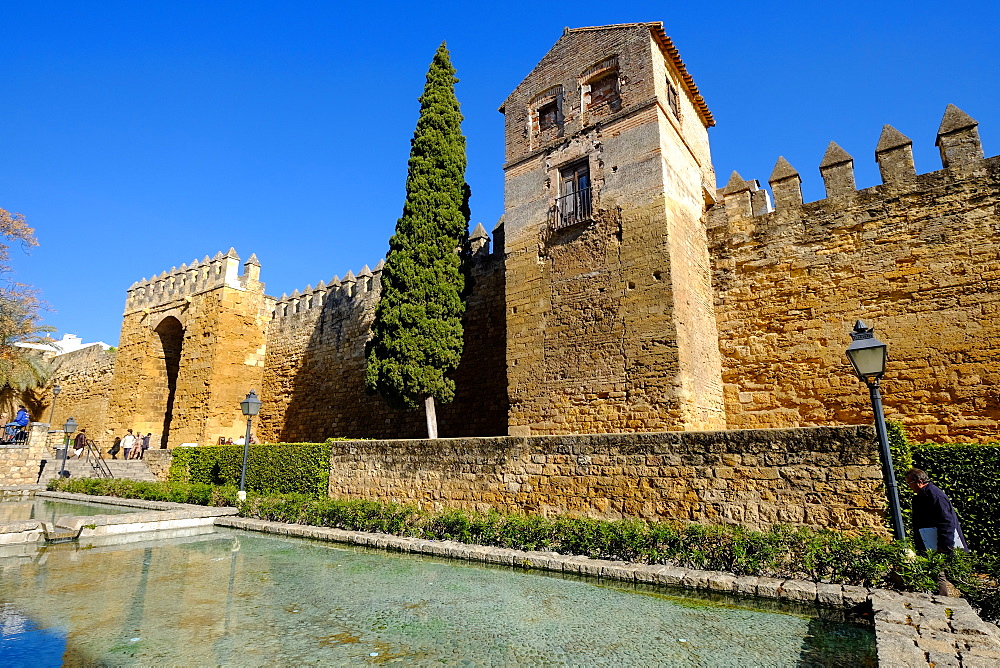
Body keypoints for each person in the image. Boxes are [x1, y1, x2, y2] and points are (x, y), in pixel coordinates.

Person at [905, 468, 968, 554]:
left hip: (944, 548)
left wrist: (945, 546)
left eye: (909, 483)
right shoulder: (922, 497)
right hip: (932, 546)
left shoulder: (935, 495)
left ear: (919, 482)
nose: (909, 486)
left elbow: (946, 521)